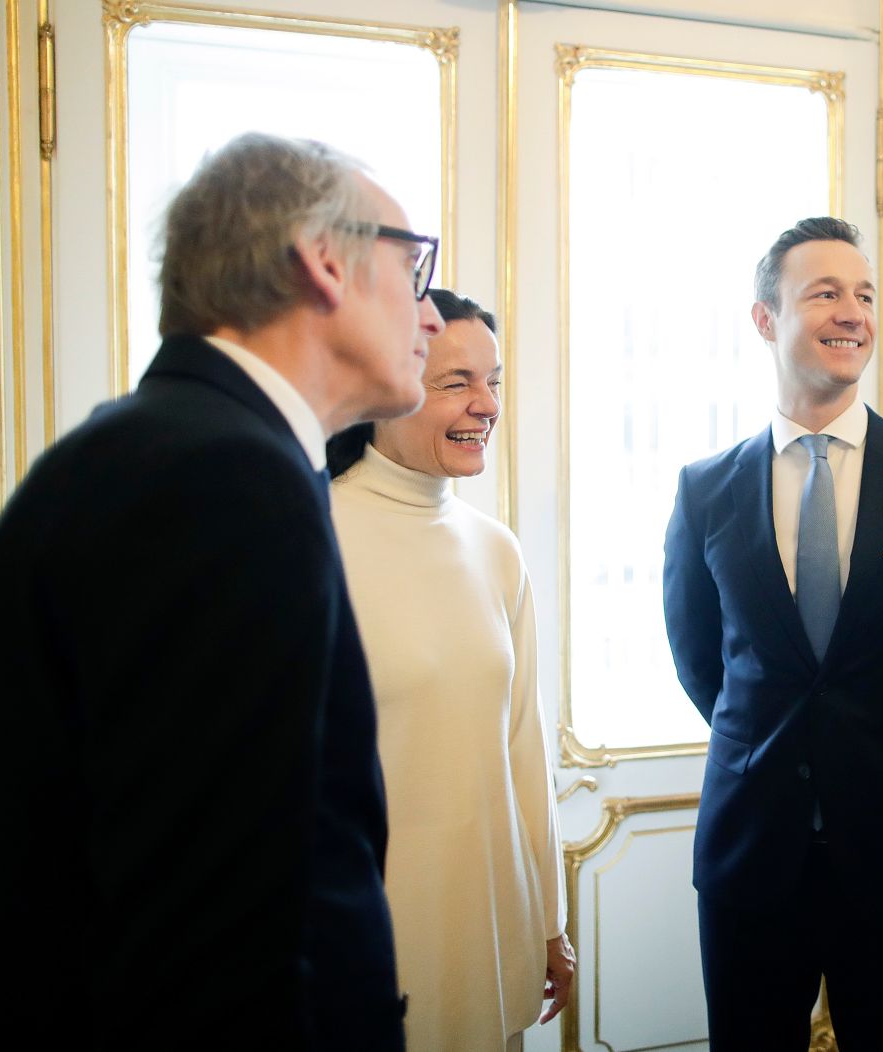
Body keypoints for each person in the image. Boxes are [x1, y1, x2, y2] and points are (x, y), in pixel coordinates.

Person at [0, 132, 444, 1049]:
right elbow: (214, 934)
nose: (428, 314)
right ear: (324, 262)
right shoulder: (219, 482)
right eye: (412, 265)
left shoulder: (169, 452)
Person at [662, 216, 883, 1049]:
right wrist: (778, 747)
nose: (851, 311)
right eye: (824, 293)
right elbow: (698, 658)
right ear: (765, 318)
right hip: (752, 854)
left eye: (863, 295)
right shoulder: (705, 488)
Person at [326, 289, 573, 1051]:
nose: (486, 404)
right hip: (369, 940)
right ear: (386, 387)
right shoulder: (314, 539)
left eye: (494, 380)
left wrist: (549, 924)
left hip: (490, 927)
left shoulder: (495, 549)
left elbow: (523, 749)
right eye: (457, 382)